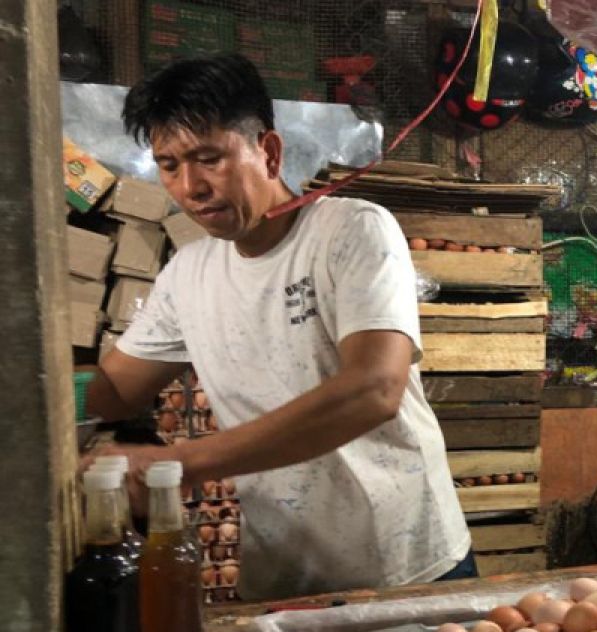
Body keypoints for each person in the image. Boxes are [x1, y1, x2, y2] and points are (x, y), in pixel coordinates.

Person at [85, 53, 473, 600]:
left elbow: (375, 389)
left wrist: (184, 461)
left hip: (403, 570)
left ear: (267, 152)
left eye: (209, 159)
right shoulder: (188, 274)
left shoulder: (351, 231)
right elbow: (112, 392)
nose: (190, 186)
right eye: (170, 165)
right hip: (282, 579)